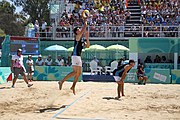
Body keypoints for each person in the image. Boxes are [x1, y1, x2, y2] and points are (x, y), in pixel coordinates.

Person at [58, 19, 90, 95]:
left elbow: (88, 46)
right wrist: (85, 21)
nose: (80, 30)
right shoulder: (77, 36)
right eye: (78, 30)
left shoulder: (81, 39)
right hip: (75, 56)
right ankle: (61, 81)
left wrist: (87, 38)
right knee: (75, 72)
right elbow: (84, 28)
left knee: (78, 73)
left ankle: (73, 86)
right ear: (76, 32)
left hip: (78, 56)